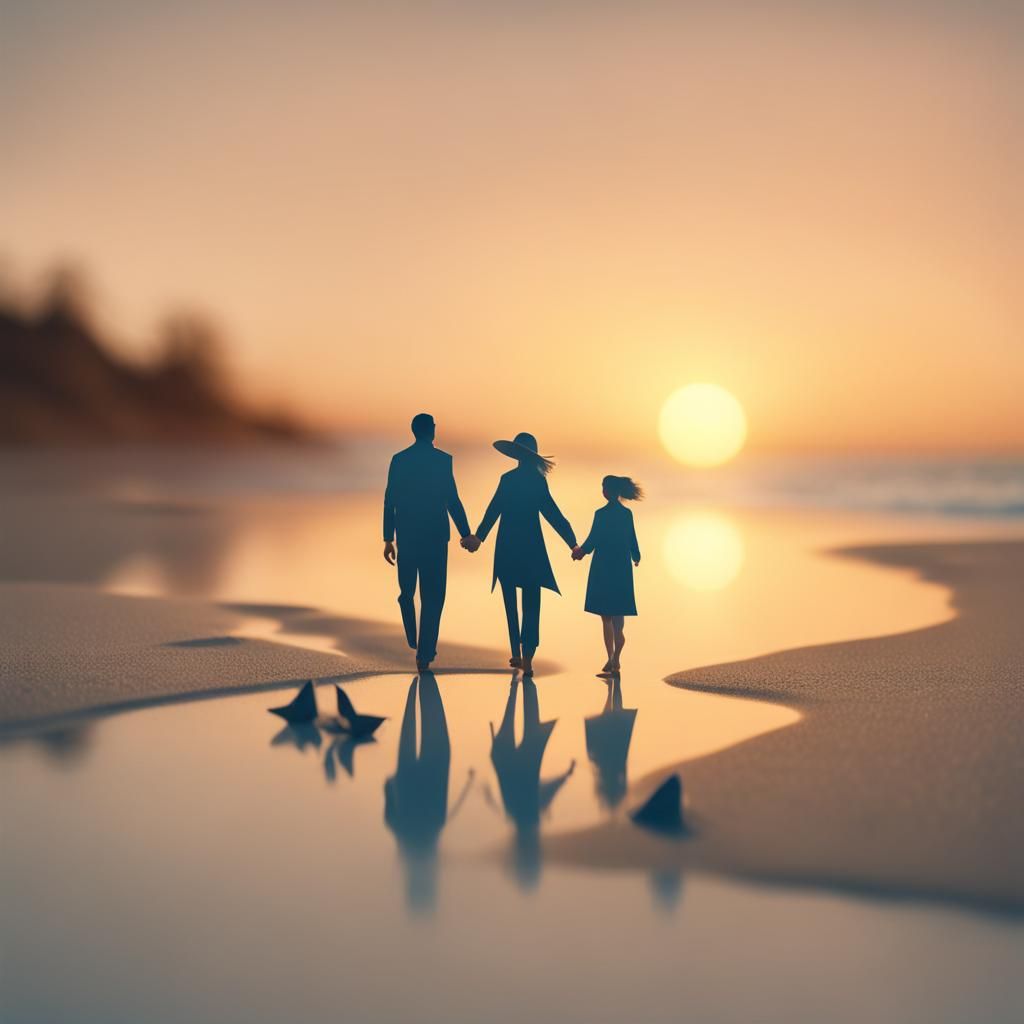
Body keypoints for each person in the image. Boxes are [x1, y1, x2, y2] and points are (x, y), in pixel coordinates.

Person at [462, 432, 577, 676]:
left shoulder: (508, 479)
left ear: (516, 454)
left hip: (507, 547)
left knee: (510, 603)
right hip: (532, 549)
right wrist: (572, 543)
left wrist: (479, 538)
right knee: (532, 604)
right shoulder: (538, 481)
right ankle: (527, 657)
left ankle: (516, 651)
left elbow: (493, 511)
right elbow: (553, 515)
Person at [383, 413, 476, 671]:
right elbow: (452, 500)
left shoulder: (399, 460)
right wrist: (465, 533)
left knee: (407, 591)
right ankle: (423, 653)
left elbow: (389, 500)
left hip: (408, 535)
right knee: (433, 596)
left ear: (414, 431)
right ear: (431, 430)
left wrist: (388, 538)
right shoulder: (443, 461)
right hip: (435, 537)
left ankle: (415, 639)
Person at [572, 475, 643, 675]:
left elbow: (593, 539)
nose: (602, 490)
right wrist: (636, 556)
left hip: (603, 567)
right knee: (618, 618)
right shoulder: (626, 514)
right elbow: (632, 538)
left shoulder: (600, 514)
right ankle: (616, 660)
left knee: (606, 617)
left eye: (603, 487)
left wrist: (580, 553)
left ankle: (612, 658)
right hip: (621, 567)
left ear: (607, 491)